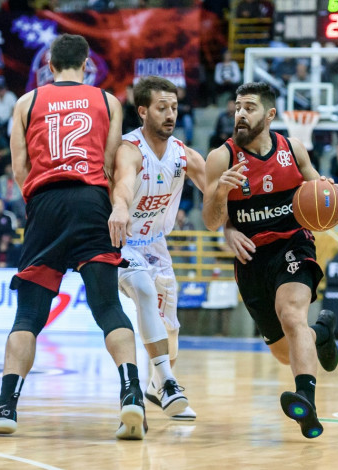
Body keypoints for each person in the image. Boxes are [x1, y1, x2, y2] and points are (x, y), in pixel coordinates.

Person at [0, 33, 147, 440]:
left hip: (45, 203)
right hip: (92, 202)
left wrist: (41, 201)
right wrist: (116, 206)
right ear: (85, 64)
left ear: (47, 62)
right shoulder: (107, 101)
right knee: (107, 307)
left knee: (27, 316)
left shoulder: (26, 102)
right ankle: (132, 394)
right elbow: (111, 164)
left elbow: (18, 166)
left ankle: (6, 404)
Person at [202, 82, 338, 439]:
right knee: (284, 351)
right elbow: (211, 221)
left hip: (292, 245)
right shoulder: (222, 157)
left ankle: (306, 401)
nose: (241, 114)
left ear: (270, 115)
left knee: (292, 314)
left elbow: (320, 192)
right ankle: (321, 333)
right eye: (237, 107)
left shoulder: (292, 150)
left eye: (249, 107)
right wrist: (222, 199)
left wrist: (330, 193)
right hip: (251, 259)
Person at [110, 76, 206, 421]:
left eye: (174, 108)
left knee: (171, 328)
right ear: (142, 111)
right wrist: (120, 206)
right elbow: (122, 185)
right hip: (121, 240)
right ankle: (167, 381)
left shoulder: (183, 154)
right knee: (145, 293)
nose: (170, 114)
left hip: (155, 245)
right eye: (162, 108)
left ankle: (156, 387)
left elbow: (215, 188)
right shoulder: (129, 149)